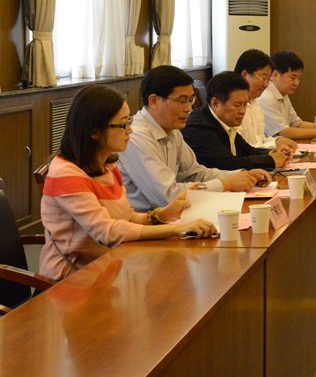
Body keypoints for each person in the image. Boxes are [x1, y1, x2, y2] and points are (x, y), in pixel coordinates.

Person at [39, 85, 218, 280]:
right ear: (95, 131)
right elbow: (107, 232)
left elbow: (127, 217)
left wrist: (163, 214)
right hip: (70, 279)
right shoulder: (66, 174)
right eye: (123, 125)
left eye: (129, 121)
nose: (130, 130)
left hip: (109, 267)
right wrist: (176, 228)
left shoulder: (108, 166)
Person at [118, 65, 266, 211]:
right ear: (154, 101)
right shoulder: (136, 136)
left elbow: (195, 174)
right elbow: (168, 196)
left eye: (191, 100)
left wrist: (241, 175)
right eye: (182, 100)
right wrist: (225, 184)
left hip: (174, 216)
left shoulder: (172, 130)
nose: (189, 108)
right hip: (146, 221)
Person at [183, 71, 294, 171]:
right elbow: (228, 164)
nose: (242, 111)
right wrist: (271, 160)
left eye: (245, 104)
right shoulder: (199, 127)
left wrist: (272, 153)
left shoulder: (224, 121)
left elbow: (248, 150)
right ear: (215, 103)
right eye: (237, 105)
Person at [258, 51, 316, 139]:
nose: (296, 83)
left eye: (299, 78)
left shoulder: (282, 94)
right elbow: (283, 132)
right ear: (275, 75)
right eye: (293, 77)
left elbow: (297, 124)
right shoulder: (266, 98)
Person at [233, 49, 297, 153]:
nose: (266, 85)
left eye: (268, 80)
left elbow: (260, 140)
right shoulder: (233, 107)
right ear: (245, 74)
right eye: (263, 78)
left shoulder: (255, 104)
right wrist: (274, 144)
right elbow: (243, 148)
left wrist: (278, 140)